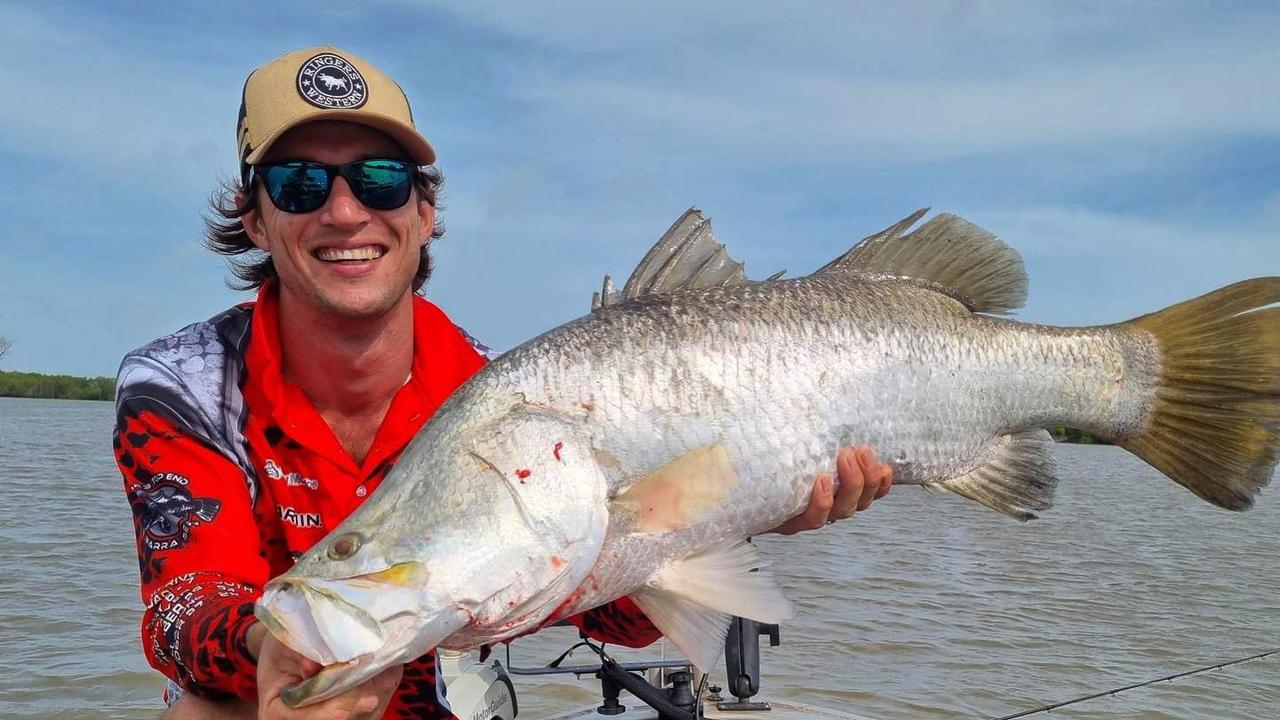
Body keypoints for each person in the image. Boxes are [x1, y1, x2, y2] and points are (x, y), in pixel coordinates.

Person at [114, 46, 894, 720]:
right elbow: (183, 606)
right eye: (299, 183)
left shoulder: (502, 398)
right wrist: (268, 645)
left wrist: (747, 506)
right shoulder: (182, 384)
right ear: (255, 219)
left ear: (423, 212)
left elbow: (619, 614)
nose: (345, 212)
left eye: (381, 179)